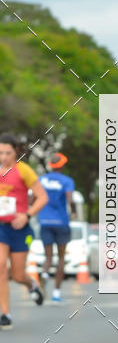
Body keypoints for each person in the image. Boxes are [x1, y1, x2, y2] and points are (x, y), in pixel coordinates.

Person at [0, 133, 47, 328]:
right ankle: (5, 314)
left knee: (18, 275)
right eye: (0, 153)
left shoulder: (24, 171)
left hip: (20, 229)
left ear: (16, 152)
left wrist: (26, 215)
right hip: (1, 227)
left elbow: (42, 197)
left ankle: (32, 285)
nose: (3, 157)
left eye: (7, 153)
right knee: (1, 266)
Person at [38, 152, 76, 303]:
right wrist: (72, 211)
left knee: (48, 257)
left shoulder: (41, 179)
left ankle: (44, 274)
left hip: (45, 222)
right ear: (63, 165)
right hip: (61, 223)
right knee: (61, 258)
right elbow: (69, 199)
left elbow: (32, 197)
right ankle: (56, 293)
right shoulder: (67, 181)